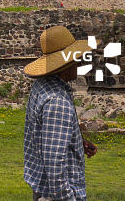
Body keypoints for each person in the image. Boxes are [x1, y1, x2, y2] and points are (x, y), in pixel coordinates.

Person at [23, 25, 97, 201]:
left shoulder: (42, 86)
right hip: (55, 195)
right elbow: (54, 165)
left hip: (43, 189)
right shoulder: (57, 101)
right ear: (65, 63)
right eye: (76, 59)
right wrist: (66, 197)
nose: (80, 63)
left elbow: (47, 137)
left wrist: (76, 142)